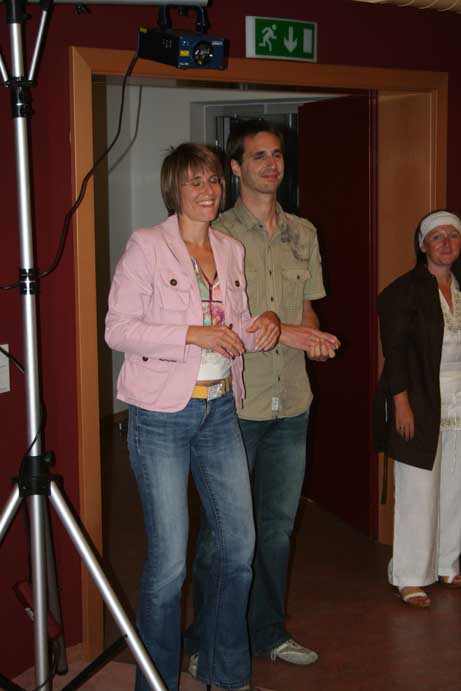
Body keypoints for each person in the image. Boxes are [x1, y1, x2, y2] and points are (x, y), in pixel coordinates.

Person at [105, 142, 281, 691]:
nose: (208, 190)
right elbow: (118, 329)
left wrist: (264, 323)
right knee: (169, 565)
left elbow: (236, 325)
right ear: (174, 189)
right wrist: (191, 334)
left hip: (220, 409)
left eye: (213, 181)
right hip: (162, 416)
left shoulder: (229, 248)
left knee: (239, 549)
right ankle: (156, 683)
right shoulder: (147, 246)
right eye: (195, 182)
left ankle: (226, 673)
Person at [186, 119, 340, 670]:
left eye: (277, 155)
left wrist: (312, 337)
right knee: (223, 535)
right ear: (235, 167)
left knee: (276, 530)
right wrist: (284, 327)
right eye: (258, 156)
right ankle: (206, 642)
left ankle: (267, 633)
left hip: (292, 401)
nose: (271, 165)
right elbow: (218, 320)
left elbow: (307, 309)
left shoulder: (303, 232)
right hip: (236, 404)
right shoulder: (216, 234)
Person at [375, 210, 461, 608]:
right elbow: (395, 353)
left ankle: (447, 563)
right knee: (418, 489)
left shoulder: (459, 288)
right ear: (422, 244)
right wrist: (401, 403)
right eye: (437, 236)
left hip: (457, 398)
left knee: (454, 485)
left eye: (453, 236)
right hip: (418, 397)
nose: (446, 243)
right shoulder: (403, 291)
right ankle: (409, 575)